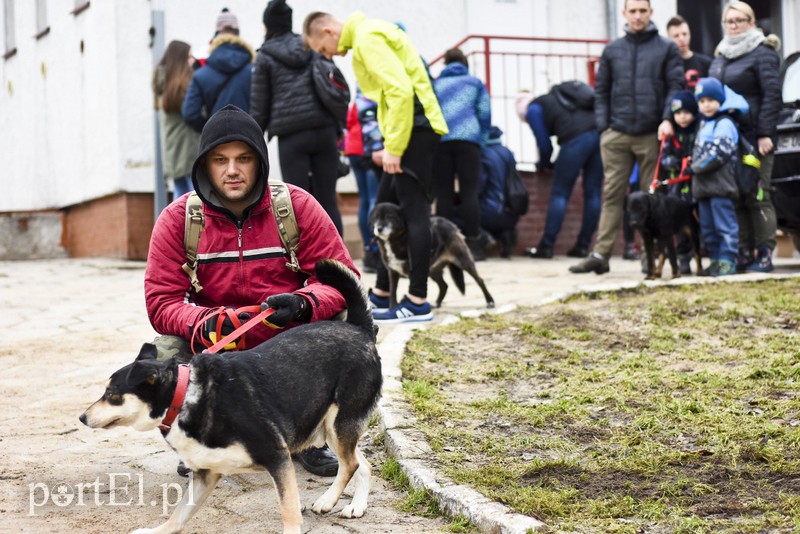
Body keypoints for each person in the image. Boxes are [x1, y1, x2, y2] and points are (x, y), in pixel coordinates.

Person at [144, 104, 356, 478]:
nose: (231, 170)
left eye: (243, 158)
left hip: (286, 343)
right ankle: (196, 437)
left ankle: (312, 437)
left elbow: (343, 279)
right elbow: (161, 302)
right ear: (204, 165)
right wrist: (204, 320)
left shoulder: (297, 206)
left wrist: (303, 305)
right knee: (163, 351)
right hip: (215, 345)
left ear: (259, 162)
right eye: (219, 159)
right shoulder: (179, 220)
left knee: (340, 324)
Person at [303, 11, 448, 323]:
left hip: (416, 129)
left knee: (414, 211)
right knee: (384, 205)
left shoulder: (367, 38)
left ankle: (417, 300)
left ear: (328, 32)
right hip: (411, 129)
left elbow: (399, 91)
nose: (330, 56)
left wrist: (394, 147)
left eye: (324, 50)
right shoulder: (366, 36)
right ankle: (382, 292)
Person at [570, 0, 683, 275]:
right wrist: (604, 128)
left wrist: (668, 118)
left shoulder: (666, 48)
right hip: (616, 133)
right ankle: (601, 254)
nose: (638, 16)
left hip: (651, 132)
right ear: (624, 14)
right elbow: (601, 91)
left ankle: (650, 258)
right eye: (632, 11)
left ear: (651, 13)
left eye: (643, 10)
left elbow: (675, 87)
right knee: (612, 194)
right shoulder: (612, 50)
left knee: (652, 198)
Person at [250, 0, 343, 235]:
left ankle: (303, 263)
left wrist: (251, 141)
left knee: (297, 203)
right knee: (328, 200)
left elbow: (259, 107)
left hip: (292, 137)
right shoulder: (311, 47)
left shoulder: (264, 57)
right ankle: (340, 264)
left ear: (266, 25)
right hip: (324, 130)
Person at [709, 1, 782, 273]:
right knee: (736, 194)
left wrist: (765, 134)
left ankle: (764, 252)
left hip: (754, 141)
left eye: (740, 20)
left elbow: (772, 96)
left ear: (752, 22)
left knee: (757, 192)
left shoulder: (763, 53)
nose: (734, 25)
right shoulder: (720, 56)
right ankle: (744, 251)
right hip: (729, 141)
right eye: (730, 21)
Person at [516, 81, 603, 260]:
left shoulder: (532, 109)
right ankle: (583, 245)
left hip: (575, 140)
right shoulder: (556, 100)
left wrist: (545, 164)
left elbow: (545, 145)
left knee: (560, 193)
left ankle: (547, 246)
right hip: (599, 135)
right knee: (593, 193)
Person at [432, 48, 491, 260]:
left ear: (445, 64)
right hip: (469, 142)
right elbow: (485, 113)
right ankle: (474, 246)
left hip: (441, 141)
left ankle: (442, 245)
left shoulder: (436, 84)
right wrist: (482, 140)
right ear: (465, 63)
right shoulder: (475, 83)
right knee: (470, 192)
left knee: (443, 193)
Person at [689, 77, 749, 277]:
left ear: (720, 101)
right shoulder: (703, 125)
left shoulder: (724, 123)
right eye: (702, 101)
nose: (706, 105)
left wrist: (695, 167)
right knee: (708, 227)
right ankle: (715, 260)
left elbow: (719, 154)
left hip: (721, 186)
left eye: (710, 100)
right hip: (703, 188)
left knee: (724, 225)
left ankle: (727, 259)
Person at [182, 8, 254, 133]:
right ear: (237, 35)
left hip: (216, 142)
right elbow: (263, 109)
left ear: (216, 36)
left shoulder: (201, 75)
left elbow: (190, 114)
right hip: (248, 140)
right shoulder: (253, 71)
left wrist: (210, 130)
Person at [152, 40, 200, 198]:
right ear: (180, 59)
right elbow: (194, 111)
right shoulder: (181, 85)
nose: (193, 60)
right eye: (189, 56)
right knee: (195, 196)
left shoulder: (164, 82)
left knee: (180, 196)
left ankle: (177, 224)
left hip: (173, 149)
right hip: (187, 147)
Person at [660, 90, 700, 273]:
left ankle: (702, 257)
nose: (682, 117)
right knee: (682, 228)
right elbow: (664, 159)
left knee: (699, 225)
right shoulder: (671, 136)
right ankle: (683, 260)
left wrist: (693, 159)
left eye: (686, 113)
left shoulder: (699, 131)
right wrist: (675, 162)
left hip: (696, 185)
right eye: (678, 113)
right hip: (676, 188)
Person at [344, 87, 382, 272]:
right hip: (368, 151)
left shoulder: (356, 100)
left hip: (353, 150)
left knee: (365, 200)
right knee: (374, 198)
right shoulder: (371, 96)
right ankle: (375, 250)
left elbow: (349, 124)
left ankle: (368, 248)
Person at [475, 126, 522, 258]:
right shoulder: (508, 153)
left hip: (490, 213)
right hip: (512, 213)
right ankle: (507, 235)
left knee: (461, 213)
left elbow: (478, 187)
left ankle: (482, 239)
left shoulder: (484, 154)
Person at [666, 15, 712, 89]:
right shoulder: (665, 65)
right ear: (668, 38)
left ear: (690, 34)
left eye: (684, 34)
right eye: (676, 36)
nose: (681, 39)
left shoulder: (706, 63)